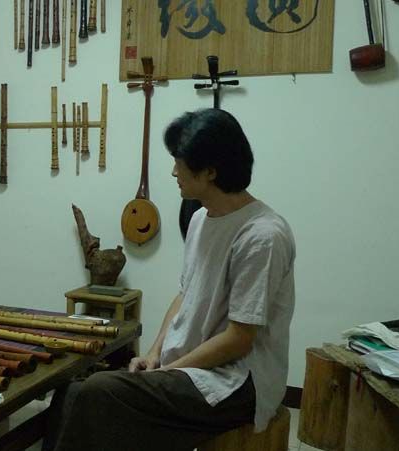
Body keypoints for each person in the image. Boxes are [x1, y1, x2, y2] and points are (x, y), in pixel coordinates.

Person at [46, 109, 296, 451]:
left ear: (210, 171)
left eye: (180, 162)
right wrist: (154, 354)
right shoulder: (200, 218)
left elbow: (239, 339)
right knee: (71, 389)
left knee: (99, 393)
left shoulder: (262, 235)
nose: (173, 171)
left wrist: (168, 371)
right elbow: (185, 294)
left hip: (238, 381)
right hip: (192, 365)